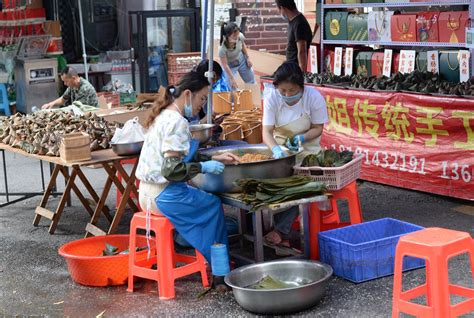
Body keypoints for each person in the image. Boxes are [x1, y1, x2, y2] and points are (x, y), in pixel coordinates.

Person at [135, 69, 240, 285]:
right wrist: (203, 166)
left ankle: (211, 258)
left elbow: (178, 157)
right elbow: (171, 170)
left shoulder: (164, 115)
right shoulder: (177, 122)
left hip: (145, 193)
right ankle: (221, 271)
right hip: (164, 196)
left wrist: (215, 158)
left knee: (204, 202)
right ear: (188, 95)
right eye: (202, 98)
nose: (203, 104)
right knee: (212, 205)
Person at [262, 61, 328, 248]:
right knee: (274, 182)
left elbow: (318, 128)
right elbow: (266, 132)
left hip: (308, 150)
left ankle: (280, 230)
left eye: (292, 90)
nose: (287, 95)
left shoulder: (313, 98)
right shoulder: (272, 98)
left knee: (300, 184)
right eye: (283, 91)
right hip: (280, 150)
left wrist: (301, 138)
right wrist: (276, 149)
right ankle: (270, 227)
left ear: (301, 86)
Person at [276, 0, 313, 71]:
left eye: (279, 10)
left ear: (283, 8)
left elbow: (302, 51)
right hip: (291, 69)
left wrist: (302, 74)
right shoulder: (292, 22)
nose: (279, 13)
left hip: (296, 72)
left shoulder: (299, 24)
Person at [218, 22, 255, 90]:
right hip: (230, 66)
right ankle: (235, 99)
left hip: (241, 60)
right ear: (227, 36)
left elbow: (243, 45)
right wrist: (232, 79)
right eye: (234, 36)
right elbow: (225, 65)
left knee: (251, 81)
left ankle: (253, 97)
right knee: (232, 87)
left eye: (237, 34)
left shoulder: (240, 36)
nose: (237, 37)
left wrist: (248, 58)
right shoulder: (222, 49)